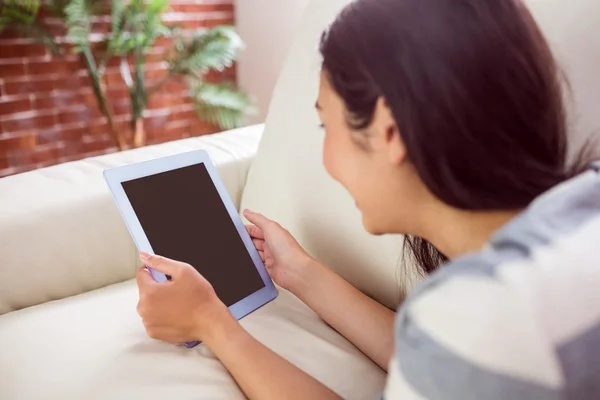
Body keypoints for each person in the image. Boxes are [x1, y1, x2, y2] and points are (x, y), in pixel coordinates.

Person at [135, 0, 600, 398]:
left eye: (326, 125)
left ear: (388, 130)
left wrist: (211, 322)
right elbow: (449, 370)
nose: (327, 159)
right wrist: (298, 271)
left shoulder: (479, 321)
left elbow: (462, 351)